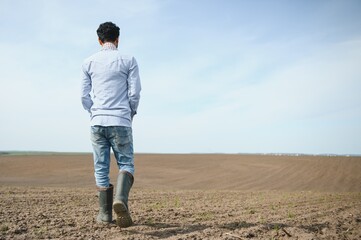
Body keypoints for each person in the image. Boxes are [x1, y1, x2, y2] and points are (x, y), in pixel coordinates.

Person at [81, 22, 141, 227]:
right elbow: (134, 93)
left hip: (97, 122)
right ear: (117, 39)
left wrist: (94, 112)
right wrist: (129, 113)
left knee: (101, 168)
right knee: (126, 164)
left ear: (99, 40)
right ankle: (120, 200)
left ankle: (105, 215)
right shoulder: (129, 60)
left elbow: (83, 96)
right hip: (121, 121)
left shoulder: (88, 62)